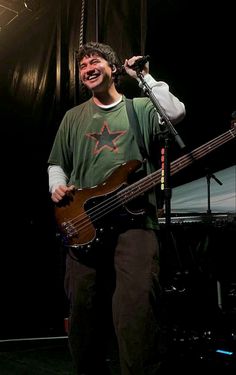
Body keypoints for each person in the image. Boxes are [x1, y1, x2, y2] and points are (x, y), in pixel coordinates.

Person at [47, 41, 186, 375]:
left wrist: (145, 78)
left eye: (95, 62)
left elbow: (176, 113)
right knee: (84, 313)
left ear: (112, 69)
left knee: (136, 313)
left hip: (136, 224)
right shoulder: (73, 117)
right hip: (83, 221)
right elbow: (56, 164)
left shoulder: (139, 108)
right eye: (82, 66)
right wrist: (57, 186)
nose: (88, 69)